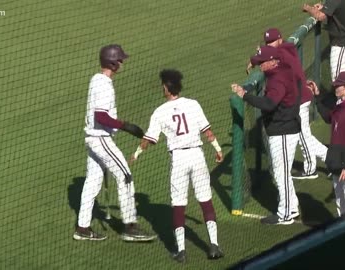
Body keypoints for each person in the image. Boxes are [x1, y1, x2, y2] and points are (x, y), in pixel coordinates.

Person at [130, 69, 224, 263]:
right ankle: (214, 245)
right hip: (198, 156)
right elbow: (208, 132)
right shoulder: (193, 104)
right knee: (205, 200)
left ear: (166, 87)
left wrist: (136, 154)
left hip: (180, 160)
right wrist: (217, 149)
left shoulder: (160, 112)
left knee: (178, 205)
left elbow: (149, 140)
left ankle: (181, 251)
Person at [73, 44, 156, 242]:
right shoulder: (102, 84)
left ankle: (82, 228)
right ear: (112, 62)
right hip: (100, 139)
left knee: (93, 182)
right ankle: (130, 226)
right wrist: (126, 126)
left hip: (92, 139)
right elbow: (101, 116)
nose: (122, 62)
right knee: (125, 175)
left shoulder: (97, 79)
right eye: (120, 59)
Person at [232, 45, 301, 225]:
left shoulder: (278, 80)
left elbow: (269, 104)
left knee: (281, 173)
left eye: (263, 62)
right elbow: (261, 60)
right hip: (283, 128)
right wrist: (253, 61)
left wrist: (244, 95)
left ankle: (285, 214)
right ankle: (291, 206)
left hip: (284, 131)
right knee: (280, 171)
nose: (260, 65)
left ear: (272, 62)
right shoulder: (280, 69)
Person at [247, 28, 327, 179]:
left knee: (303, 137)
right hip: (299, 94)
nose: (270, 45)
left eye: (272, 42)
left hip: (299, 99)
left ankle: (311, 169)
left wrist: (256, 57)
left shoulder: (281, 54)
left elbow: (271, 60)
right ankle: (329, 159)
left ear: (280, 39)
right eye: (267, 43)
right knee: (304, 136)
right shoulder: (286, 48)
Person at [307, 72, 345, 216]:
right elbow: (328, 117)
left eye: (339, 86)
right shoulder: (341, 105)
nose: (335, 88)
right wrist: (317, 96)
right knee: (341, 205)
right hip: (337, 162)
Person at [302, 0, 345, 81]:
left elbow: (320, 16)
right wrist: (324, 7)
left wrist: (308, 8)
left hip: (342, 44)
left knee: (339, 82)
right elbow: (337, 7)